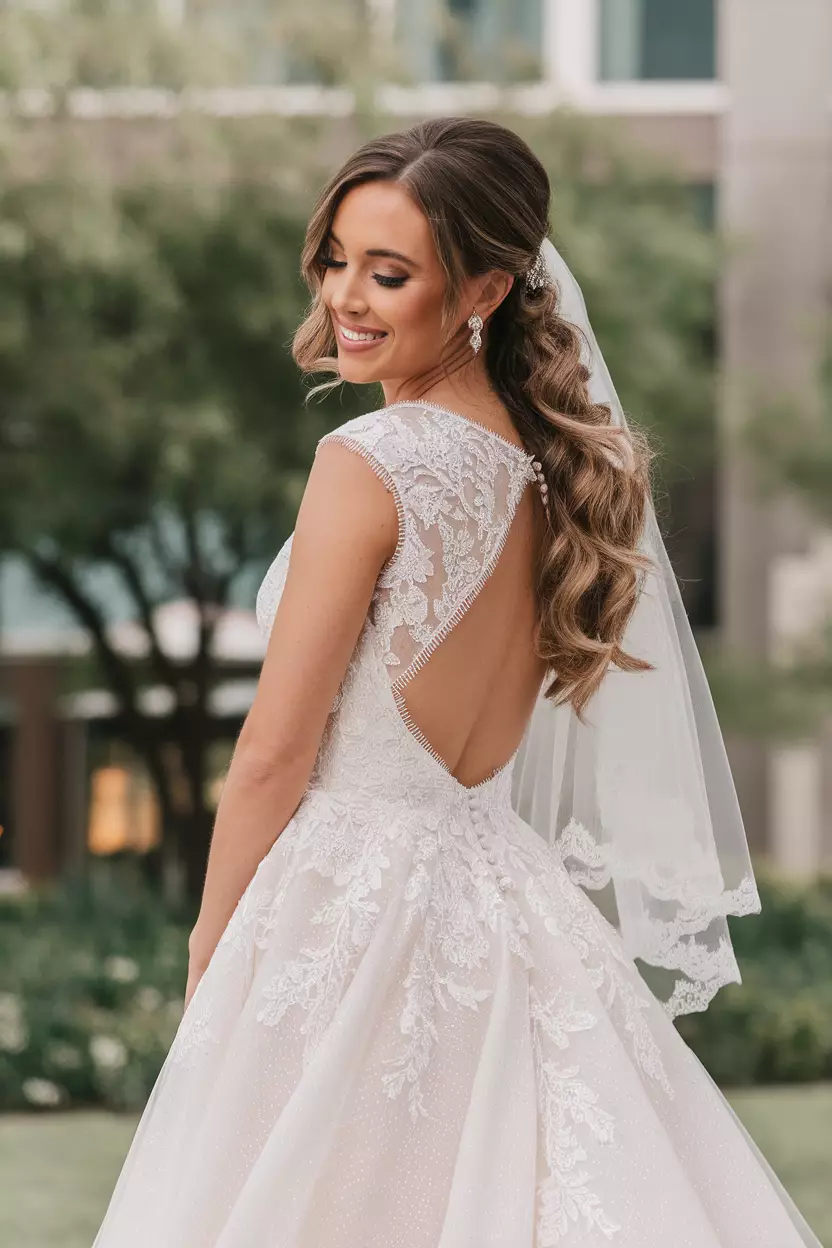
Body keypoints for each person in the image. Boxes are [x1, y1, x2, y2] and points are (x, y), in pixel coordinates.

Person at [92, 117, 822, 1247]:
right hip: (498, 895)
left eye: (390, 273)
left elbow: (276, 753)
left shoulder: (366, 465)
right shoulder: (548, 471)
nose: (347, 297)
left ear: (484, 287)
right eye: (334, 259)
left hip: (344, 898)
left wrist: (213, 940)